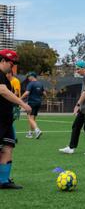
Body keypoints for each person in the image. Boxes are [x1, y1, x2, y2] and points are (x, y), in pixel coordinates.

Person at [0, 49, 32, 189]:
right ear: (3, 61)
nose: (12, 67)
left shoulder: (4, 76)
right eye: (11, 64)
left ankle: (3, 181)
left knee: (8, 146)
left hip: (6, 121)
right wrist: (22, 103)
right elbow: (2, 91)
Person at [59, 60, 85, 155]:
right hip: (84, 107)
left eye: (77, 69)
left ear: (83, 68)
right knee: (76, 126)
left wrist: (77, 105)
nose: (77, 71)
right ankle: (71, 148)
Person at [21, 72, 46, 139]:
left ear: (32, 76)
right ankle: (30, 133)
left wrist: (20, 98)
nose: (28, 78)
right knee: (33, 118)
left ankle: (37, 130)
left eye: (29, 76)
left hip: (32, 103)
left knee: (29, 118)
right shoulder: (40, 84)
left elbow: (27, 93)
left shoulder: (30, 84)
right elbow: (44, 93)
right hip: (38, 103)